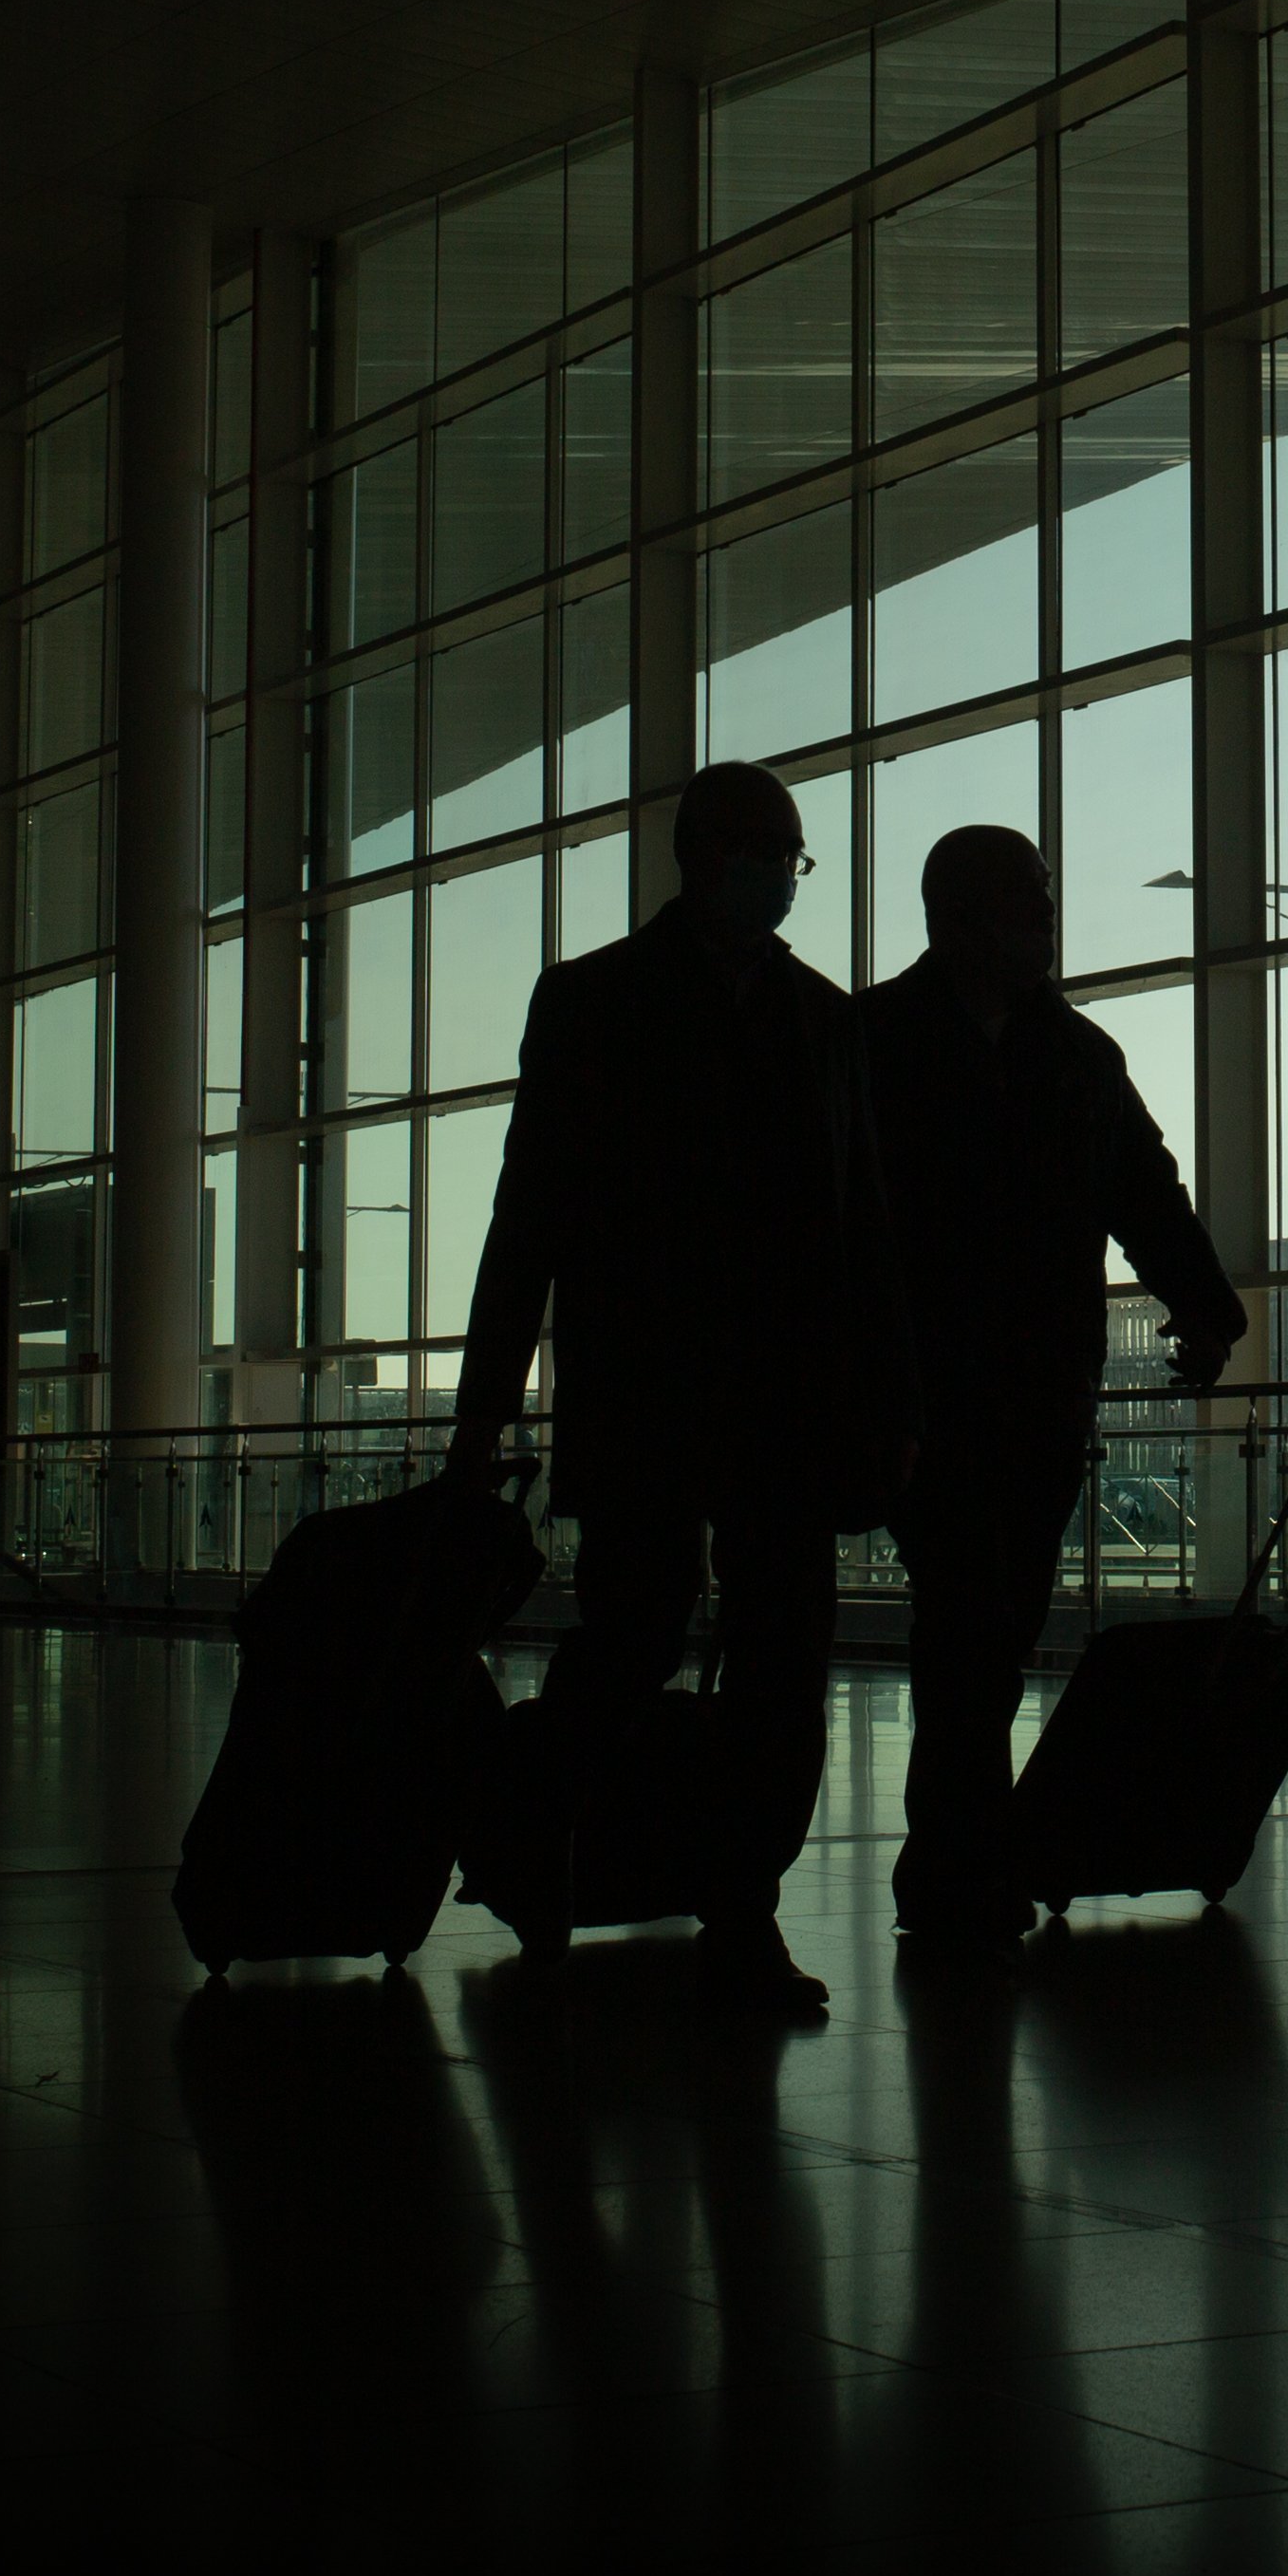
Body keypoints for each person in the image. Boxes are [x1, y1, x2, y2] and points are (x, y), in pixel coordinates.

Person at [453, 759, 907, 2012]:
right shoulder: (610, 1003)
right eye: (771, 852)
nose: (781, 877)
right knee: (653, 1637)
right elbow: (531, 1215)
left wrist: (876, 1399)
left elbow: (862, 1226)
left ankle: (730, 1900)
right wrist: (484, 1402)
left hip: (756, 1404)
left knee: (762, 1658)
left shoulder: (809, 1018)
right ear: (705, 851)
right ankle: (560, 1832)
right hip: (682, 1399)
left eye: (793, 857)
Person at [855, 824, 1246, 1951]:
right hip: (945, 1392)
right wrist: (1200, 1304)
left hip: (1008, 1390)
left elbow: (1143, 1191)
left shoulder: (892, 1042)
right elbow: (1141, 1190)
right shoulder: (1055, 1056)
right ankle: (958, 1859)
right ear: (959, 916)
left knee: (982, 1624)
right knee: (977, 1622)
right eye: (1028, 898)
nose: (1046, 915)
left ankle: (954, 1857)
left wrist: (1203, 1301)